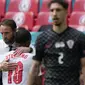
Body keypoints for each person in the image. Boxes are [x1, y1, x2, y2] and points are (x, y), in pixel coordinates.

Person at [28, 0, 85, 85]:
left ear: (66, 12)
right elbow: (35, 66)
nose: (54, 13)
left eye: (58, 10)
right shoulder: (42, 38)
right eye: (52, 10)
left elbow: (84, 65)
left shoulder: (78, 37)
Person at [0, 19, 32, 85]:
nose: (4, 37)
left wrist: (30, 49)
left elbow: (37, 55)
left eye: (6, 33)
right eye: (1, 33)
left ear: (14, 31)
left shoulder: (25, 44)